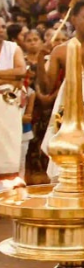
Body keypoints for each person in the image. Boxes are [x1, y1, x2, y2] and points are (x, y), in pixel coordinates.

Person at [0, 16, 27, 179]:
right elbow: (15, 74)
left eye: (3, 27)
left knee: (9, 147)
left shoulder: (13, 48)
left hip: (8, 103)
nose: (0, 30)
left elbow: (21, 72)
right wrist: (10, 77)